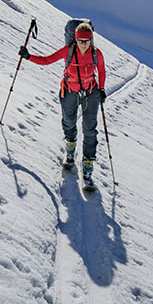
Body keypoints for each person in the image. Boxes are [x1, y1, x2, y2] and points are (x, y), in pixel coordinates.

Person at [19, 22, 106, 184]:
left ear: (91, 40)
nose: (83, 44)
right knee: (68, 121)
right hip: (69, 91)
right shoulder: (69, 51)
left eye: (87, 41)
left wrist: (101, 89)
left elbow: (101, 70)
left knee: (90, 128)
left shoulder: (96, 54)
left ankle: (87, 162)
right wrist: (28, 56)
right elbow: (47, 60)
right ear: (75, 39)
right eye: (81, 41)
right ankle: (71, 146)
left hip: (90, 92)